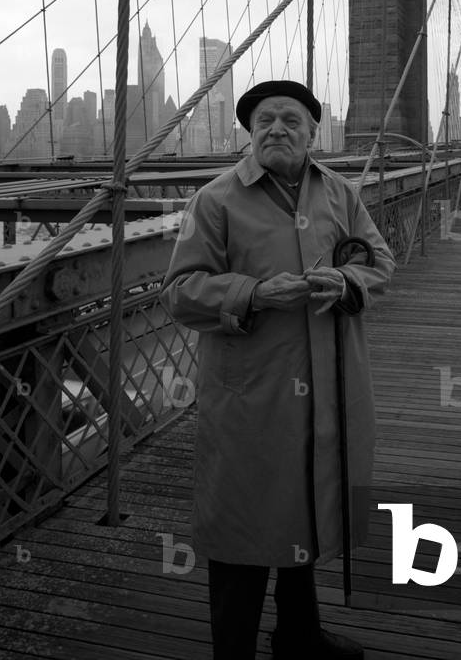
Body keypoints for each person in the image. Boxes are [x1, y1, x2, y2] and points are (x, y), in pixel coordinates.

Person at [159, 80, 396, 659]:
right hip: (252, 392)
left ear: (315, 132)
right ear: (249, 132)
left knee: (305, 507)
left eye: (292, 120)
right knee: (243, 524)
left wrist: (347, 280)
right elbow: (180, 292)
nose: (277, 130)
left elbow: (380, 260)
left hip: (330, 384)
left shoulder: (341, 193)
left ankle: (300, 637)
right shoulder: (214, 201)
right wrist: (256, 293)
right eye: (264, 120)